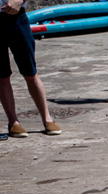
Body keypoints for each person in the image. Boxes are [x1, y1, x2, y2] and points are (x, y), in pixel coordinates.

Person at [1, 0, 61, 136]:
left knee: (30, 72)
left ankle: (47, 118)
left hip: (16, 17)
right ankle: (13, 122)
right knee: (2, 75)